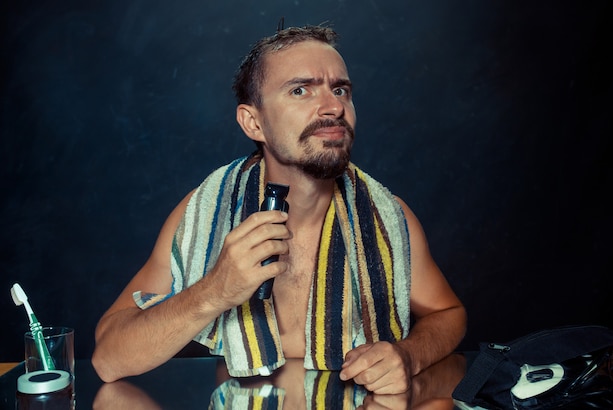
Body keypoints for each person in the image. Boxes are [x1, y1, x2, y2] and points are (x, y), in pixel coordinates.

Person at [91, 24, 466, 394]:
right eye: (301, 90)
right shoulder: (201, 214)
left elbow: (448, 314)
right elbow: (108, 359)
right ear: (254, 122)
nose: (334, 106)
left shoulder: (388, 218)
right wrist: (214, 291)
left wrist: (408, 355)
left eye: (341, 90)